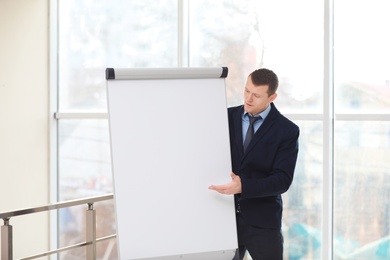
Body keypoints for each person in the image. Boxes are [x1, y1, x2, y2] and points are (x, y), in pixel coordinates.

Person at [209, 68, 299, 260]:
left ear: (272, 97)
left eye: (256, 95)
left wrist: (244, 186)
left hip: (263, 222)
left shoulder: (287, 131)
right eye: (246, 91)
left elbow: (282, 180)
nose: (248, 99)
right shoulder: (224, 118)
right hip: (223, 217)